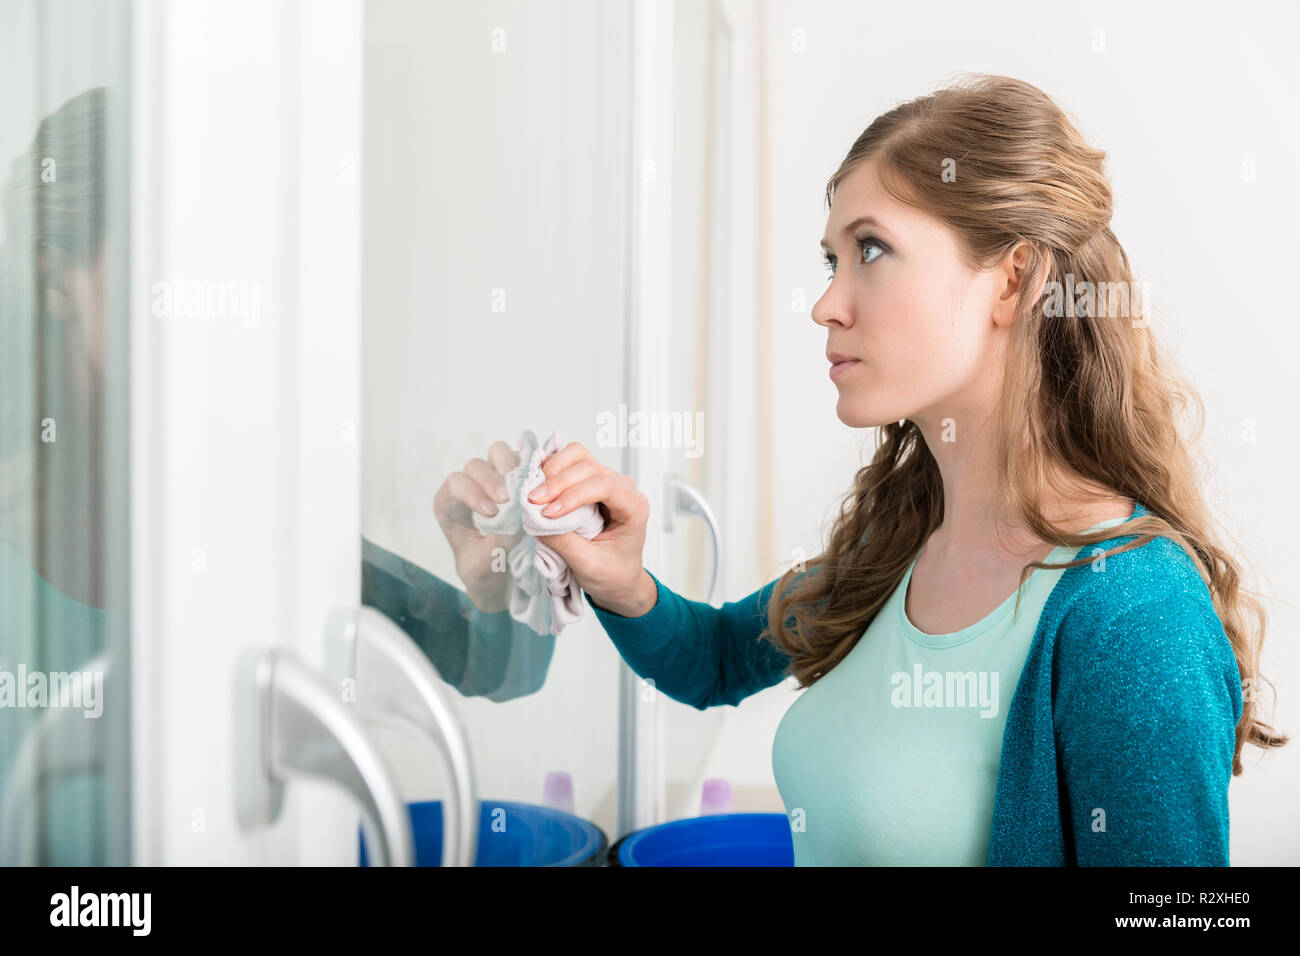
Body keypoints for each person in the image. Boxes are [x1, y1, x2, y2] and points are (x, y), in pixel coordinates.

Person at [439, 74, 1286, 865]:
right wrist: (621, 579)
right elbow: (720, 660)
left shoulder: (1133, 613)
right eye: (829, 260)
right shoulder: (906, 538)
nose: (826, 303)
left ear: (1012, 281)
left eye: (870, 250)